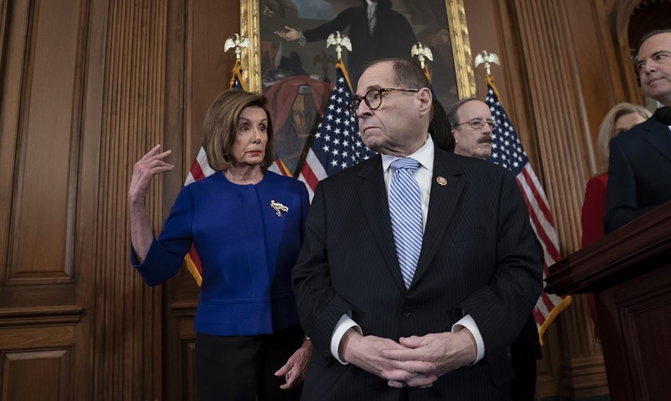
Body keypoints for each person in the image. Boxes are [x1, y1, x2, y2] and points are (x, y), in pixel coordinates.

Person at [292, 58, 543, 400]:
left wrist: (467, 341)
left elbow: (520, 270)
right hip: (351, 386)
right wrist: (350, 344)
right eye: (358, 102)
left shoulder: (492, 184)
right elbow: (310, 279)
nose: (362, 111)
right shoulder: (332, 193)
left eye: (375, 96)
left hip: (464, 385)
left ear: (422, 101)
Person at [128, 90, 312, 401]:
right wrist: (136, 203)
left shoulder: (293, 191)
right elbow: (157, 268)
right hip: (222, 343)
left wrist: (310, 341)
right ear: (223, 134)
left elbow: (315, 270)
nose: (256, 137)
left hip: (287, 339)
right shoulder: (196, 196)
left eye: (262, 127)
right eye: (244, 127)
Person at [448, 98, 542, 401]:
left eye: (490, 124)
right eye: (476, 124)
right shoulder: (439, 186)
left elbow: (525, 257)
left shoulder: (502, 181)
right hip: (461, 335)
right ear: (453, 134)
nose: (487, 130)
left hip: (515, 333)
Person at [581, 102, 651, 338]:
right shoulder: (602, 186)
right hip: (636, 309)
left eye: (640, 128)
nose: (633, 137)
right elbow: (595, 260)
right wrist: (604, 323)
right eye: (621, 134)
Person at [275, 0, 417, 85]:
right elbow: (329, 28)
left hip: (390, 75)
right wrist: (301, 35)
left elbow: (410, 47)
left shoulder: (397, 19)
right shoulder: (353, 13)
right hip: (361, 72)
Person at [605, 29, 671, 233]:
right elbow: (615, 221)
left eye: (659, 57)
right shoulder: (628, 145)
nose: (647, 69)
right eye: (641, 65)